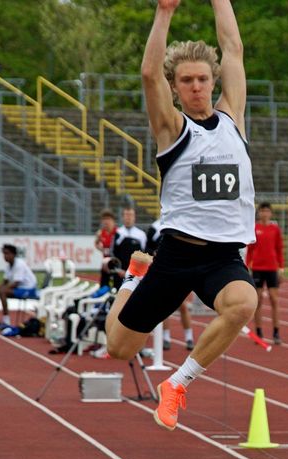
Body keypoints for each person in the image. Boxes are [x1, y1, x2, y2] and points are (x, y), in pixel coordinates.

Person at [105, 0, 257, 431]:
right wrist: (165, 11)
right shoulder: (173, 129)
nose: (196, 87)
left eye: (203, 79)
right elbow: (149, 74)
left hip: (223, 257)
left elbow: (233, 47)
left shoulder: (233, 119)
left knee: (244, 303)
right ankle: (134, 276)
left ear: (213, 81)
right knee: (118, 348)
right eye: (187, 81)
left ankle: (178, 383)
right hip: (176, 256)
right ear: (176, 87)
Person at [146, 219, 195, 351]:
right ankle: (166, 338)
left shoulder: (180, 222)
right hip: (162, 270)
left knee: (183, 306)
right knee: (164, 307)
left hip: (180, 270)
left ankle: (189, 338)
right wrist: (154, 254)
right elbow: (147, 247)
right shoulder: (154, 227)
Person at [245, 202, 284, 345]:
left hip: (272, 268)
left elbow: (279, 249)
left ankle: (276, 332)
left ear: (271, 213)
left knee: (274, 299)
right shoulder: (255, 228)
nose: (265, 213)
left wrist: (281, 268)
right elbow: (250, 249)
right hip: (258, 268)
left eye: (267, 211)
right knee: (259, 299)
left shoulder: (275, 229)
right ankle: (259, 331)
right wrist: (248, 265)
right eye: (262, 211)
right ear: (259, 213)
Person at [0, 244, 38, 327]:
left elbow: (16, 283)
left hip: (28, 289)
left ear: (14, 254)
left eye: (7, 254)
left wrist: (1, 289)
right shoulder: (8, 266)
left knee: (2, 292)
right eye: (4, 254)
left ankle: (6, 321)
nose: (5, 256)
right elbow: (5, 282)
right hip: (19, 288)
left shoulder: (19, 265)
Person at [110, 205, 147, 290]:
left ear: (134, 217)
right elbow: (112, 254)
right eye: (126, 215)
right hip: (120, 274)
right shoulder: (118, 233)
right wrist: (119, 270)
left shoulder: (141, 235)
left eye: (131, 215)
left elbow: (144, 256)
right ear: (123, 217)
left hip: (135, 275)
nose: (128, 218)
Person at [94, 208, 118, 288]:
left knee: (115, 287)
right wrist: (102, 250)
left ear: (113, 221)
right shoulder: (101, 233)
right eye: (104, 219)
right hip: (105, 265)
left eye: (108, 219)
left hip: (115, 265)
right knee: (103, 286)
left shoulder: (117, 232)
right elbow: (96, 243)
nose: (106, 222)